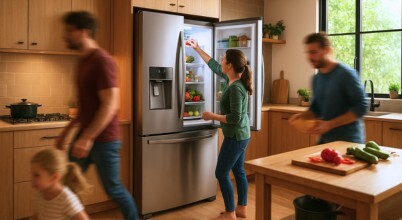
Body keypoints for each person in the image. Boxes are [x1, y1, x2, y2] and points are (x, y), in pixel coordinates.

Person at [56, 11, 138, 220]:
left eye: (68, 31)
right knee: (67, 184)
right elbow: (84, 107)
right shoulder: (83, 61)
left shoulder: (102, 60)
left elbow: (111, 104)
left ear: (83, 32)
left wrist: (87, 137)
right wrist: (66, 132)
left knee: (114, 189)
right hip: (86, 135)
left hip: (104, 140)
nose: (64, 35)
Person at [188, 39, 252, 220]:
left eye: (224, 59)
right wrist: (197, 48)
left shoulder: (235, 89)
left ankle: (230, 212)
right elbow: (214, 65)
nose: (221, 61)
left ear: (230, 65)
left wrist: (211, 116)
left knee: (221, 173)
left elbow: (235, 118)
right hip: (240, 135)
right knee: (238, 171)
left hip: (236, 136)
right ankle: (241, 209)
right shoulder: (229, 79)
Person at [290, 32, 368, 144]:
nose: (309, 57)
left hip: (348, 143)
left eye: (313, 52)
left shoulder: (346, 74)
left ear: (326, 50)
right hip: (325, 141)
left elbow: (361, 107)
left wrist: (330, 124)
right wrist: (302, 116)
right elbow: (316, 109)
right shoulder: (316, 78)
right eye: (308, 53)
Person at [30, 149, 90, 220]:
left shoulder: (66, 198)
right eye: (32, 174)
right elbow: (36, 216)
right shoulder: (39, 193)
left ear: (54, 177)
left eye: (36, 175)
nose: (32, 179)